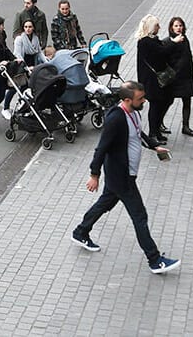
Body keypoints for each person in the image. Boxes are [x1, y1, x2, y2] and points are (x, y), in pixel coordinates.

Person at [70, 80, 181, 274]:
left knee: (105, 203)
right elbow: (101, 148)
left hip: (120, 175)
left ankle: (80, 232)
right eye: (140, 98)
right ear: (128, 100)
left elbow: (139, 133)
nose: (144, 100)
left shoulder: (134, 113)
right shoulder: (116, 119)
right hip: (121, 177)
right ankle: (154, 260)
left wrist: (154, 146)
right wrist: (94, 175)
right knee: (140, 215)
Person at [136, 14, 181, 143]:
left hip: (157, 79)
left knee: (163, 103)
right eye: (156, 25)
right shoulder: (145, 42)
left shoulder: (152, 40)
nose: (159, 27)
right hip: (152, 80)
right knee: (155, 106)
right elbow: (162, 52)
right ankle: (153, 134)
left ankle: (156, 131)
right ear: (151, 27)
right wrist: (173, 42)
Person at [166, 17, 193, 137]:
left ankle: (186, 126)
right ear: (171, 27)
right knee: (168, 101)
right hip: (175, 76)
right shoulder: (169, 40)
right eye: (176, 26)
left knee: (187, 101)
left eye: (180, 25)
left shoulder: (185, 39)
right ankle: (160, 123)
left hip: (187, 75)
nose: (179, 28)